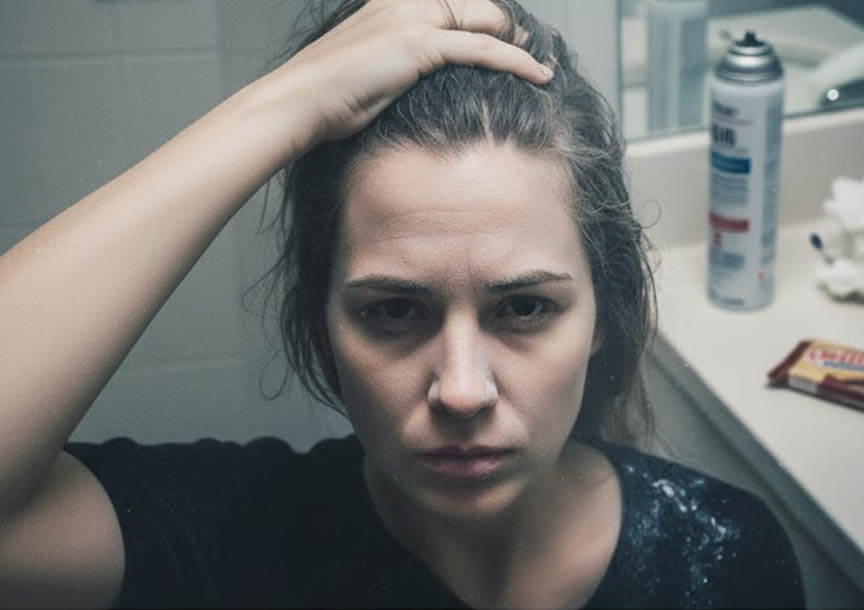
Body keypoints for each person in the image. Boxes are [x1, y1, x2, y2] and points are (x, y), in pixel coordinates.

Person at [0, 0, 806, 607]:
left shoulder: (726, 555)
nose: (461, 391)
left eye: (524, 309)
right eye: (393, 311)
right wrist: (283, 104)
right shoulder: (243, 540)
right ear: (321, 321)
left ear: (604, 313)